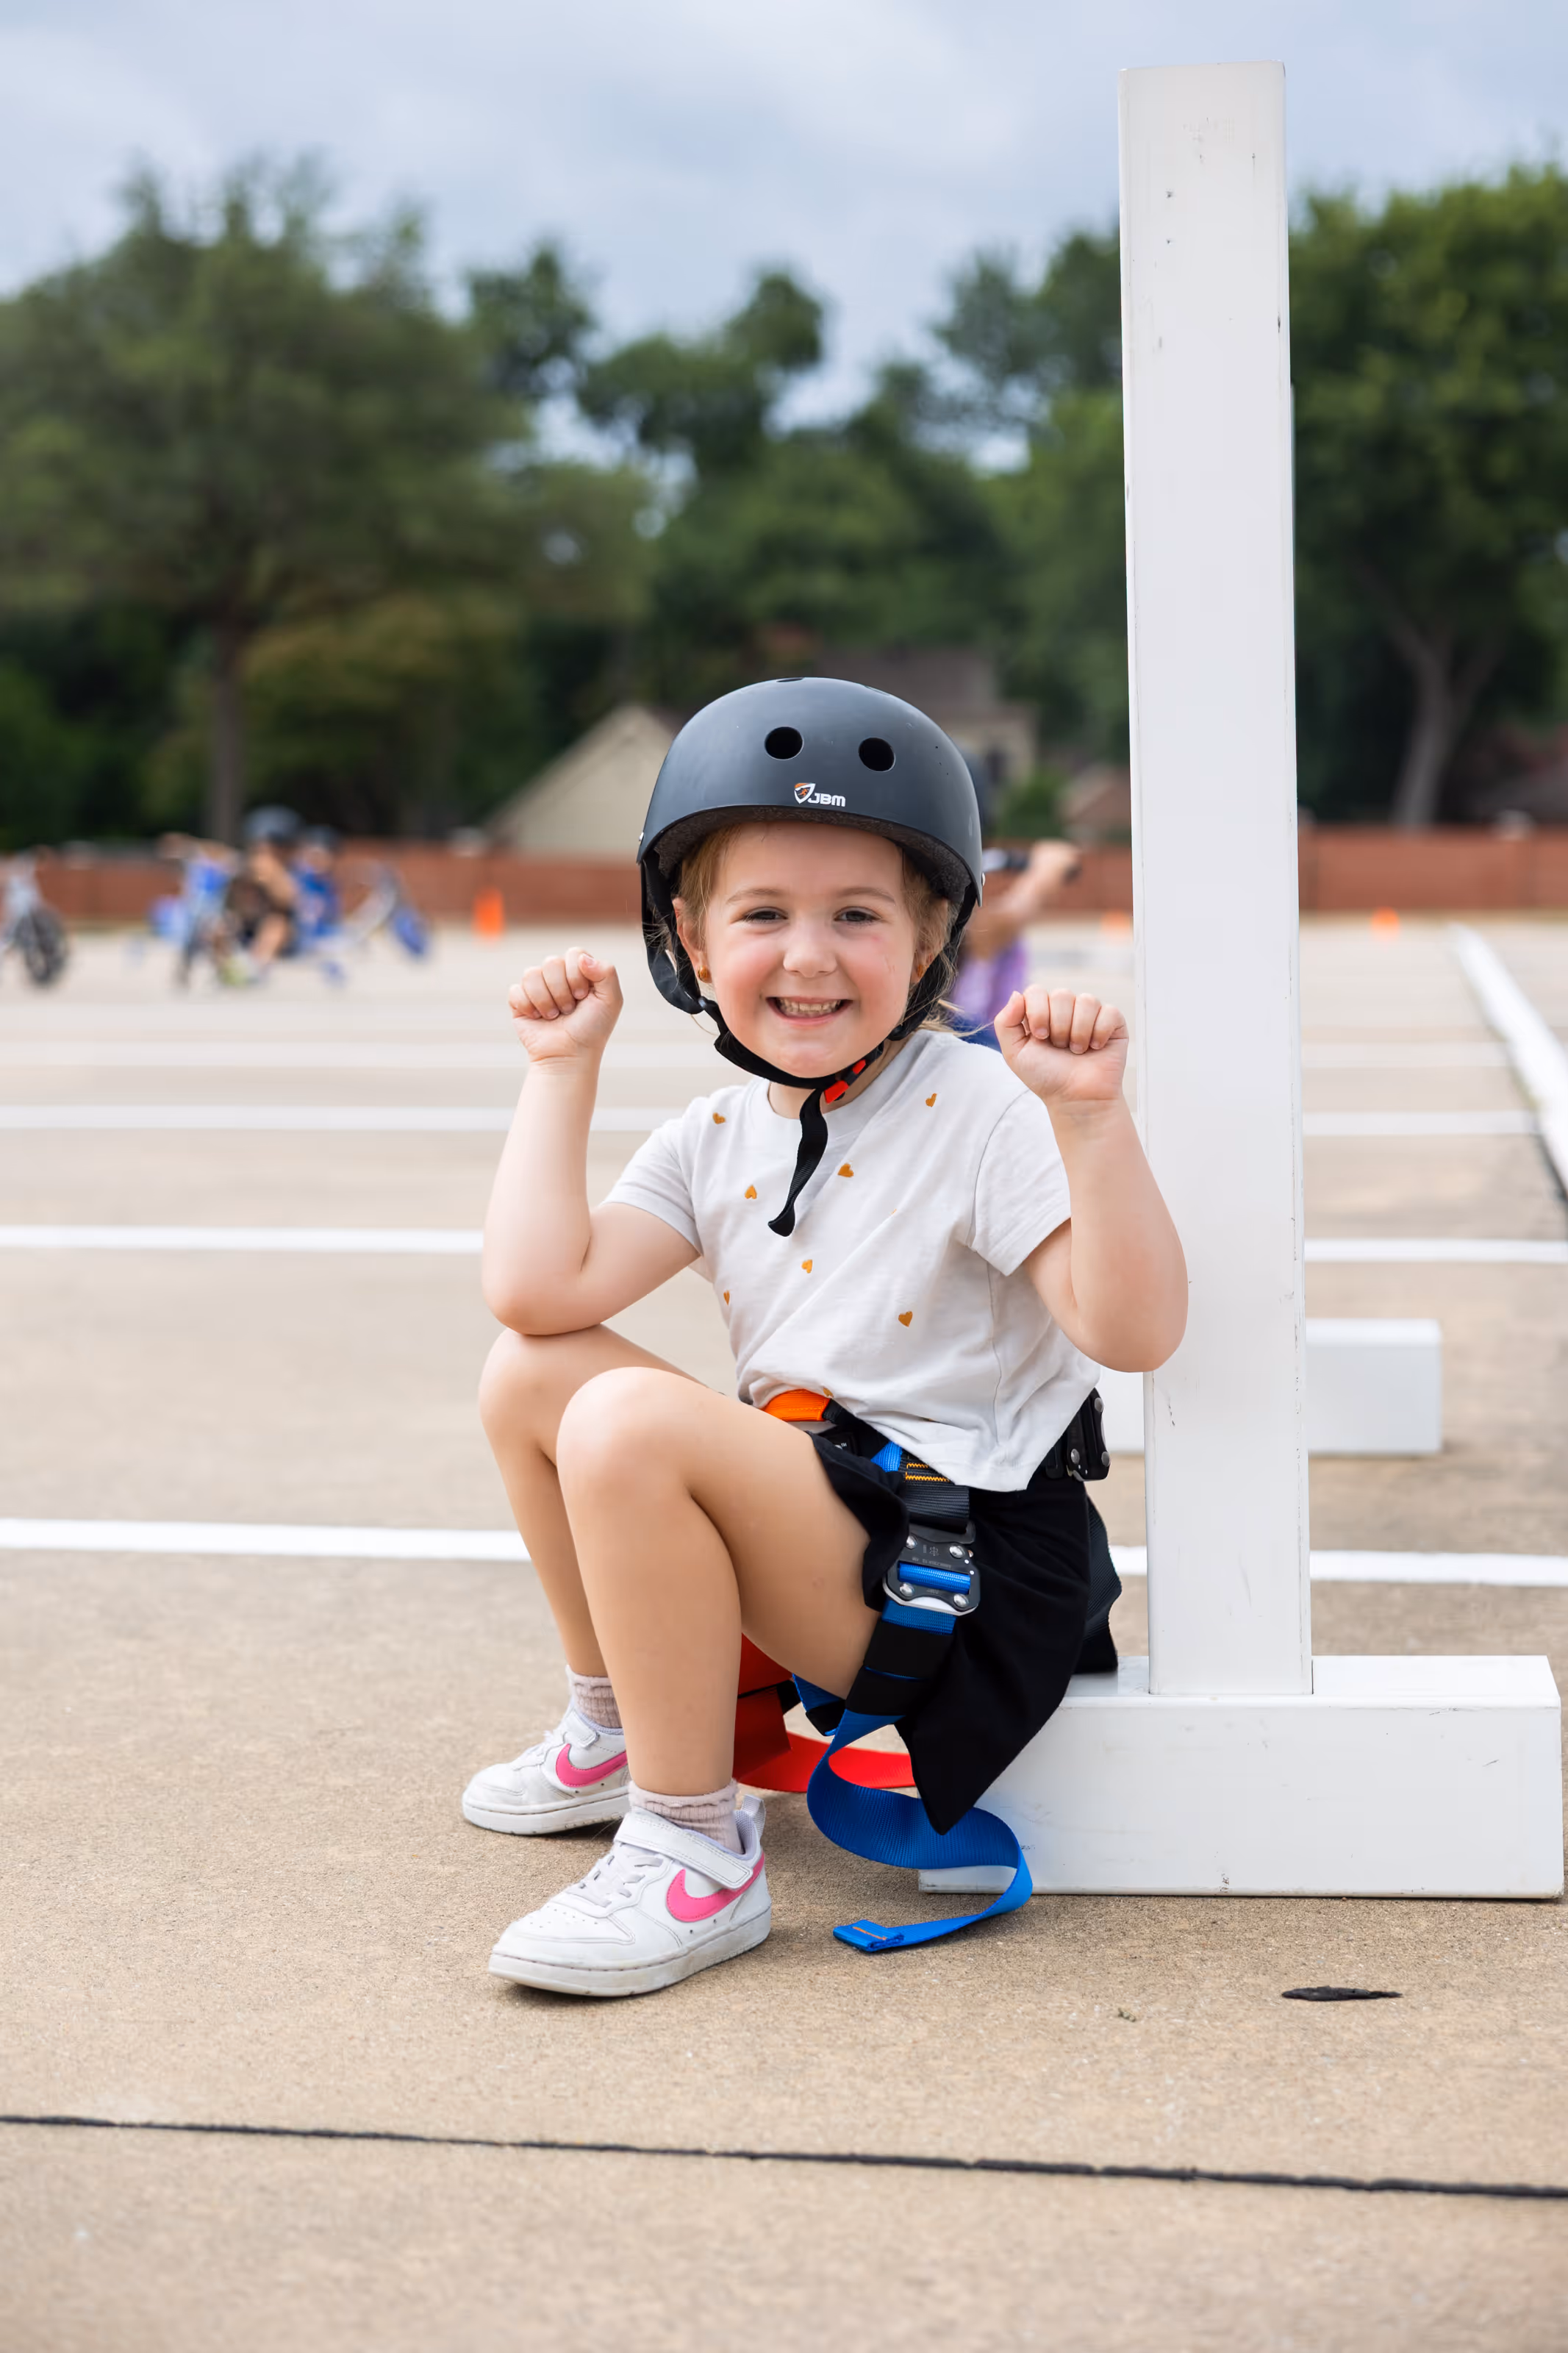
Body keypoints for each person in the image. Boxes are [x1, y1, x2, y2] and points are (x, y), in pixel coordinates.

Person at [470, 677, 1186, 1998]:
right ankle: (619, 1724)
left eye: (855, 916)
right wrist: (556, 1070)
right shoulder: (714, 1131)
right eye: (761, 915)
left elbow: (1129, 1332)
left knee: (625, 1421)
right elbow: (535, 1291)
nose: (807, 956)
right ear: (685, 935)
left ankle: (693, 1849)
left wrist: (1088, 1122)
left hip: (959, 1571)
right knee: (531, 1378)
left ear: (928, 943)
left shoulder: (977, 1103)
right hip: (837, 1517)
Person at [949, 840, 1084, 1049]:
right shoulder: (981, 927)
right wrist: (1045, 866)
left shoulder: (991, 925)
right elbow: (1032, 896)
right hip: (974, 1040)